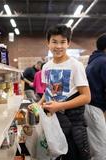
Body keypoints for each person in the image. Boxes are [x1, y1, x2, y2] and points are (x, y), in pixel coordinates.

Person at [39, 24, 91, 160]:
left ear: (68, 43)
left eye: (63, 42)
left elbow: (86, 97)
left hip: (73, 123)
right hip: (55, 122)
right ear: (48, 43)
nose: (58, 46)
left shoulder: (76, 65)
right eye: (54, 42)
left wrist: (59, 106)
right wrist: (39, 103)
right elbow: (49, 90)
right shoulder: (46, 66)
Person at [85, 34, 106, 160]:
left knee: (96, 145)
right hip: (94, 107)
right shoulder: (103, 62)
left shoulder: (95, 61)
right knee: (101, 147)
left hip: (90, 107)